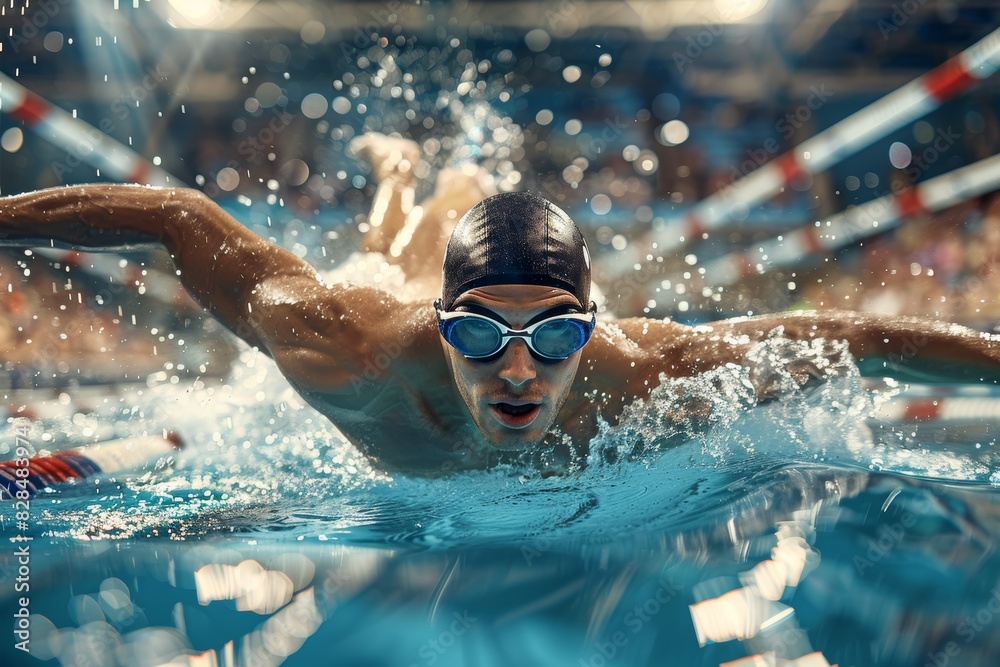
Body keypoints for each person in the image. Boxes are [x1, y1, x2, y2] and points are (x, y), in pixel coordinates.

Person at [3, 134, 1000, 476]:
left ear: (591, 324)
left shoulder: (643, 372)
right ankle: (406, 173)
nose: (517, 370)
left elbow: (863, 338)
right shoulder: (350, 354)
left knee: (446, 219)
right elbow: (174, 214)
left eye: (554, 334)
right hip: (382, 300)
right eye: (480, 332)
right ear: (446, 327)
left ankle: (449, 184)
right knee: (376, 260)